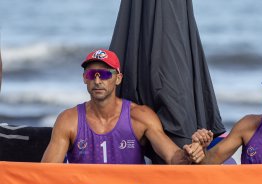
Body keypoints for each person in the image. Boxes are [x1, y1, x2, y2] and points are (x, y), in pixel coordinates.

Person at [41, 49, 204, 164]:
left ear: (118, 78)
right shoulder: (69, 120)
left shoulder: (139, 116)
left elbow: (174, 159)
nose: (97, 81)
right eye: (92, 75)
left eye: (105, 74)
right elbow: (46, 173)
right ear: (85, 78)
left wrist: (190, 153)